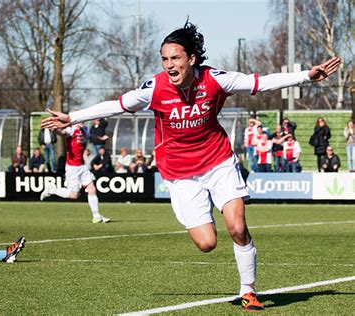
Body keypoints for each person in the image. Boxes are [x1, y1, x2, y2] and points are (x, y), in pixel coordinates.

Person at [41, 21, 340, 311]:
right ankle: (205, 213)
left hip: (217, 161)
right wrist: (74, 117)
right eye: (164, 59)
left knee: (237, 227)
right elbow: (118, 104)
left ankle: (248, 290)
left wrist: (306, 76)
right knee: (207, 244)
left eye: (175, 58)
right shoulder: (154, 88)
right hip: (180, 173)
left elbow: (258, 84)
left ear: (191, 58)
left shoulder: (214, 79)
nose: (169, 65)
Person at [40, 123, 110, 224]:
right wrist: (55, 130)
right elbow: (63, 133)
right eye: (81, 120)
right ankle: (52, 190)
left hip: (82, 165)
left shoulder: (84, 130)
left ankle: (96, 216)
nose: (83, 122)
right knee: (74, 195)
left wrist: (101, 138)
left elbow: (91, 137)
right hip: (72, 168)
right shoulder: (71, 130)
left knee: (91, 188)